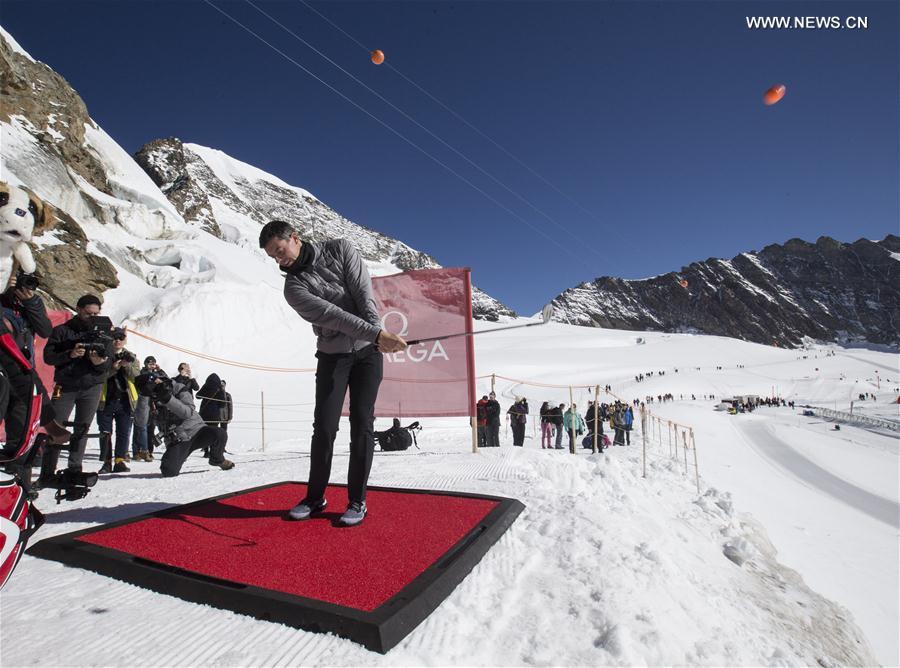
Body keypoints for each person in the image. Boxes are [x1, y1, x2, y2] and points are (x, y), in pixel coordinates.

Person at [259, 220, 406, 526]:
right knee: (324, 426)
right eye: (273, 256)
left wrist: (374, 337)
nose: (279, 258)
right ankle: (315, 498)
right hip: (332, 357)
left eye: (280, 250)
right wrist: (378, 336)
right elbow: (333, 316)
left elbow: (363, 296)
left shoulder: (341, 249)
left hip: (368, 355)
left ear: (295, 238)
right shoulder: (294, 289)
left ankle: (357, 501)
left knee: (362, 423)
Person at [43, 295, 113, 472]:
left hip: (92, 386)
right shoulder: (62, 331)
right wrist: (70, 354)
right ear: (79, 309)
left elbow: (110, 362)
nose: (92, 317)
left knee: (82, 428)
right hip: (66, 385)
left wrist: (100, 363)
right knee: (56, 427)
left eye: (96, 314)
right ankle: (48, 469)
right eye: (89, 313)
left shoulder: (104, 333)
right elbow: (48, 357)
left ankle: (75, 468)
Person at [136, 374, 234, 477]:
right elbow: (141, 422)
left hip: (198, 430)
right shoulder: (148, 399)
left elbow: (187, 413)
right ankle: (181, 456)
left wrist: (168, 398)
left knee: (219, 433)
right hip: (178, 439)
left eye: (155, 381)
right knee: (169, 471)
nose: (155, 385)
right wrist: (143, 396)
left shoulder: (178, 388)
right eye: (150, 385)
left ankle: (217, 459)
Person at [96, 329, 140, 473]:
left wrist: (126, 365)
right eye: (115, 337)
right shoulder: (103, 354)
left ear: (125, 339)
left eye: (121, 337)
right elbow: (98, 376)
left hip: (125, 401)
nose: (118, 340)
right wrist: (114, 368)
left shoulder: (131, 356)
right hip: (105, 400)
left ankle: (120, 460)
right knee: (105, 432)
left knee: (123, 432)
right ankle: (106, 461)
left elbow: (137, 377)